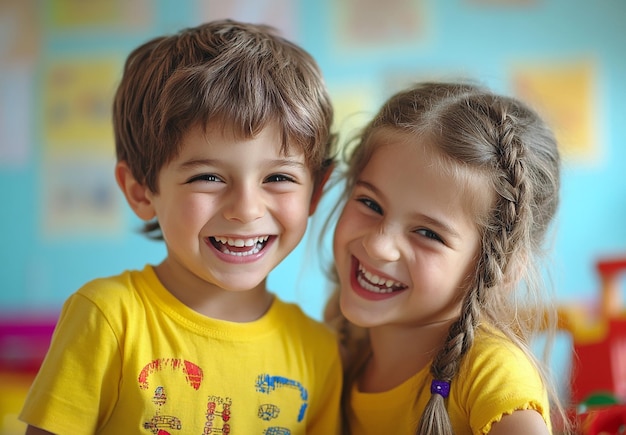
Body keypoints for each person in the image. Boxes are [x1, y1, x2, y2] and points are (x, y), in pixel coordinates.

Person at [21, 19, 342, 434]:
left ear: (315, 192)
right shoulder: (107, 317)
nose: (245, 209)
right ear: (141, 192)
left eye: (278, 178)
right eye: (207, 177)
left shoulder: (319, 351)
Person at [325, 81, 568, 434]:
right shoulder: (345, 351)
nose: (379, 245)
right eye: (370, 203)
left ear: (502, 267)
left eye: (428, 233)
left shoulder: (492, 373)